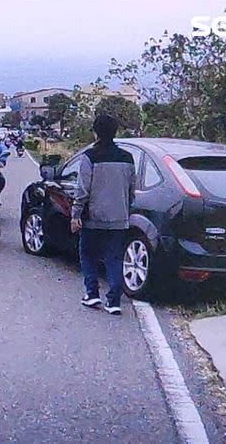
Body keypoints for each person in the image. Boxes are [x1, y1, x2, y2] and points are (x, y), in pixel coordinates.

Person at [71, 114, 135, 315]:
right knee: (114, 258)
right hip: (119, 218)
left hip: (93, 218)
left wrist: (75, 215)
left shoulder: (89, 157)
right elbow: (132, 190)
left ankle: (92, 294)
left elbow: (82, 191)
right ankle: (114, 301)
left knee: (87, 255)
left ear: (96, 132)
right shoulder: (128, 158)